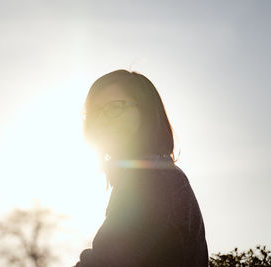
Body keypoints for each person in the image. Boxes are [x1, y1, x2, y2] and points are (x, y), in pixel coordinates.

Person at [72, 70, 209, 267]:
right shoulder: (151, 176)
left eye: (114, 108)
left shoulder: (153, 179)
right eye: (94, 112)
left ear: (145, 111)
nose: (101, 120)